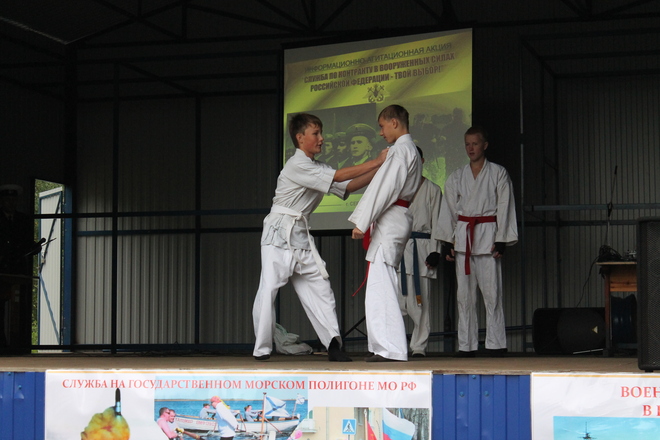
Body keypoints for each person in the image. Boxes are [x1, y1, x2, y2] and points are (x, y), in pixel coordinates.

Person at [252, 113, 387, 362]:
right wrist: (377, 161)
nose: (322, 138)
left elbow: (348, 186)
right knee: (268, 288)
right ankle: (262, 348)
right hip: (278, 234)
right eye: (316, 133)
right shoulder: (296, 164)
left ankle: (333, 344)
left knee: (321, 288)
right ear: (300, 138)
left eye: (321, 133)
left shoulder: (319, 168)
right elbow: (339, 177)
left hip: (301, 237)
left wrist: (381, 168)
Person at [431, 126, 518, 357]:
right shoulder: (456, 176)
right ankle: (466, 345)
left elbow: (505, 206)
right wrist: (448, 241)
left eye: (475, 144)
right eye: (467, 144)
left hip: (488, 236)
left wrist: (502, 238)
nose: (470, 148)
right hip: (464, 240)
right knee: (464, 297)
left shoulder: (498, 173)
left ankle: (496, 344)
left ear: (485, 145)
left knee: (492, 294)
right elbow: (449, 210)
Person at [348, 104, 422, 362]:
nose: (380, 133)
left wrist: (362, 221)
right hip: (395, 217)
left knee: (382, 286)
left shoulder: (401, 150)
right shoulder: (408, 150)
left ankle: (390, 347)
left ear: (394, 122)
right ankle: (384, 345)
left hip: (391, 218)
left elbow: (385, 188)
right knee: (380, 284)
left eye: (381, 126)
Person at [396, 147, 442, 358]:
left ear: (422, 161)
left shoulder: (432, 189)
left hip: (422, 249)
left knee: (420, 302)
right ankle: (394, 345)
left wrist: (435, 251)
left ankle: (419, 346)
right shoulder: (395, 188)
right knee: (396, 302)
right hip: (398, 249)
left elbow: (438, 222)